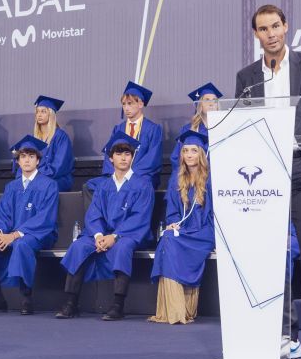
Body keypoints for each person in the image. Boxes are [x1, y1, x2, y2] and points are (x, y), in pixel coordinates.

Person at [234, 4, 301, 359]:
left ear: (286, 27)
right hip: (265, 171)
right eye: (263, 29)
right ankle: (283, 335)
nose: (271, 34)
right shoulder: (246, 75)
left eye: (276, 26)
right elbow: (242, 126)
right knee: (271, 254)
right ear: (256, 35)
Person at [57, 132, 154, 321]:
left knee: (123, 247)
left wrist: (115, 236)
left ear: (133, 157)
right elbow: (94, 214)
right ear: (111, 158)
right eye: (118, 153)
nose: (123, 157)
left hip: (129, 235)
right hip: (101, 235)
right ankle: (70, 303)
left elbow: (139, 218)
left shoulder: (143, 184)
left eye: (127, 153)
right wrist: (99, 235)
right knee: (79, 246)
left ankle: (118, 305)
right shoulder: (104, 186)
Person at [0, 135, 59, 315]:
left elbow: (45, 218)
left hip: (39, 234)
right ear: (18, 161)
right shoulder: (12, 186)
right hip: (10, 234)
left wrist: (14, 235)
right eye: (23, 157)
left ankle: (26, 298)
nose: (27, 160)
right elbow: (2, 213)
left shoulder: (49, 185)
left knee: (22, 245)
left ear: (38, 160)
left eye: (31, 156)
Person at [149, 130, 214, 324]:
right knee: (168, 238)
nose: (189, 155)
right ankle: (174, 311)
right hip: (184, 228)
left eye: (194, 150)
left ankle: (184, 309)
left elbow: (214, 213)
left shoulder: (211, 179)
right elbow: (173, 211)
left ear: (201, 154)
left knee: (171, 241)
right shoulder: (177, 180)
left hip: (204, 230)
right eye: (186, 151)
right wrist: (174, 222)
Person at [86, 81, 163, 197]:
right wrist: (115, 174)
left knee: (139, 185)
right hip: (118, 174)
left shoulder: (153, 129)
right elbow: (109, 154)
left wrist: (129, 175)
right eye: (124, 104)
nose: (126, 108)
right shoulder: (119, 129)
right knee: (90, 185)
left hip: (142, 175)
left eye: (130, 104)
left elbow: (153, 159)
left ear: (140, 104)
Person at [25, 95, 74, 192]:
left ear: (51, 114)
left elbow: (59, 166)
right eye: (37, 112)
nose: (39, 115)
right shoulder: (34, 138)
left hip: (58, 179)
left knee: (42, 185)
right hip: (37, 177)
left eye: (43, 111)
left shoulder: (61, 137)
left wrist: (36, 175)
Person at [169, 83, 222, 172]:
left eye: (214, 100)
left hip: (219, 175)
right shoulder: (188, 129)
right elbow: (176, 157)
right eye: (207, 100)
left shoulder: (224, 127)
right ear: (199, 104)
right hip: (194, 176)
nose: (211, 103)